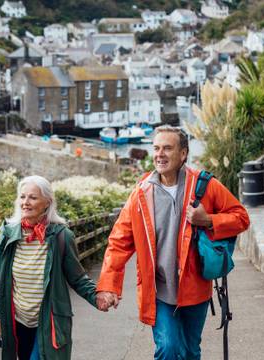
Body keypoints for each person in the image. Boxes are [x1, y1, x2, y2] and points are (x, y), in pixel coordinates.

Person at [95, 126, 250, 360]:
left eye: (168, 148)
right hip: (158, 290)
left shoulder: (204, 185)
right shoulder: (141, 193)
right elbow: (119, 241)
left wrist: (208, 220)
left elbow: (241, 218)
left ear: (183, 153)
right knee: (167, 348)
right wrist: (108, 285)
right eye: (156, 148)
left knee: (189, 351)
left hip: (195, 287)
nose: (160, 154)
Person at [0, 175, 100, 360]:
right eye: (22, 197)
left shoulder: (61, 237)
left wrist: (98, 297)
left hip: (49, 321)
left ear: (47, 203)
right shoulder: (8, 234)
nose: (25, 202)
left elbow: (78, 278)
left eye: (33, 197)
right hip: (17, 321)